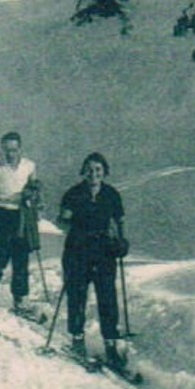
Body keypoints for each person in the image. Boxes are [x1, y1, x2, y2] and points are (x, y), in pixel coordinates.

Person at [57, 152, 129, 368]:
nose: (93, 174)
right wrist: (68, 223)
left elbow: (120, 221)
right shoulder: (73, 193)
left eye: (98, 170)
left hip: (104, 251)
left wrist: (122, 241)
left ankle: (110, 344)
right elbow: (63, 221)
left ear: (104, 172)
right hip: (78, 250)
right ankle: (77, 339)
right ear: (83, 171)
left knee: (107, 296)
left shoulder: (112, 194)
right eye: (89, 169)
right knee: (77, 295)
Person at [0, 131, 41, 311]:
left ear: (20, 149)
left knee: (21, 257)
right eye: (6, 149)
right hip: (0, 214)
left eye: (13, 149)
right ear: (2, 149)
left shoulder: (29, 166)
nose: (10, 153)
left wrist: (33, 192)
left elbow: (35, 185)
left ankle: (20, 299)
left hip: (20, 215)